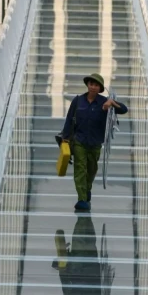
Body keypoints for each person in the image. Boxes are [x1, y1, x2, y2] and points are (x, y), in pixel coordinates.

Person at [61, 73, 128, 211]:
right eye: (91, 84)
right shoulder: (78, 101)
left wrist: (112, 103)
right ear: (87, 85)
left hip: (95, 142)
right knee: (80, 169)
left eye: (96, 85)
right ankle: (81, 199)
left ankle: (87, 189)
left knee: (91, 169)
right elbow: (69, 120)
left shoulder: (104, 101)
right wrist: (65, 139)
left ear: (100, 88)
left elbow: (124, 109)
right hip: (79, 141)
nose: (93, 87)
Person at [52, 214, 122, 295]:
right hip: (91, 262)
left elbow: (65, 282)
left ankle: (83, 209)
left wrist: (61, 265)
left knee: (83, 227)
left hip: (76, 264)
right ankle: (84, 209)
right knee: (86, 229)